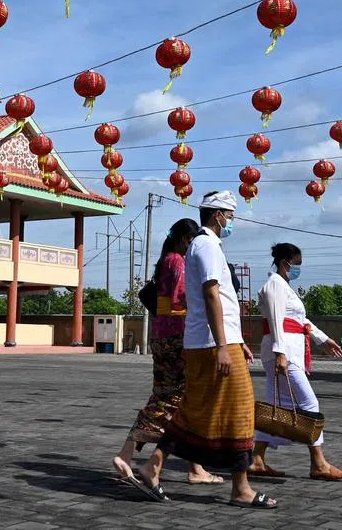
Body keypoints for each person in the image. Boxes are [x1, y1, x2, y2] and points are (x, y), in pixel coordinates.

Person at [135, 191, 276, 509]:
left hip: (209, 342)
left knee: (195, 410)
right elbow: (212, 296)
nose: (232, 222)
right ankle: (241, 489)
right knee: (240, 410)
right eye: (231, 216)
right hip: (213, 345)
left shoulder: (201, 246)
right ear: (218, 215)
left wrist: (236, 342)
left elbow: (202, 301)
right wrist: (225, 347)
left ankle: (152, 466)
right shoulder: (208, 246)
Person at [112, 218, 221, 486]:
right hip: (178, 338)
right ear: (186, 240)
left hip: (162, 336)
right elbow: (181, 299)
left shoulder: (164, 262)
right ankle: (132, 454)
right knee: (174, 400)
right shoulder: (178, 262)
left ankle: (192, 466)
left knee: (175, 399)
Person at [250, 243, 342, 482]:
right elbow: (275, 321)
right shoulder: (274, 285)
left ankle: (257, 459)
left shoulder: (285, 287)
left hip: (288, 349)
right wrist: (280, 353)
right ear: (286, 263)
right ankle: (318, 462)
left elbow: (301, 321)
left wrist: (322, 339)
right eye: (297, 265)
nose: (299, 269)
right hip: (283, 352)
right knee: (308, 402)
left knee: (278, 406)